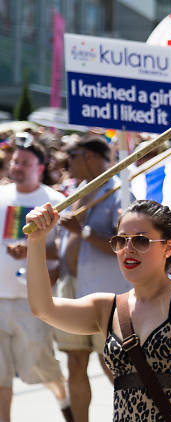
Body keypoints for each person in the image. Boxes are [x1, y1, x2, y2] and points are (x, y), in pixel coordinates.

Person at [24, 93, 171, 421]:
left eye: (141, 240)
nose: (128, 249)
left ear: (168, 248)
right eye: (121, 240)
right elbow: (42, 308)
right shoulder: (107, 308)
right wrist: (36, 242)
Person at [53, 135, 133, 422]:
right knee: (75, 362)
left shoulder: (120, 192)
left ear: (89, 156)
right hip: (71, 289)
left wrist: (82, 231)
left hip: (105, 295)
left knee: (112, 363)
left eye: (72, 156)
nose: (66, 163)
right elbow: (63, 240)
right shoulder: (75, 191)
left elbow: (126, 246)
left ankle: (139, 415)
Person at [0, 136, 73, 422]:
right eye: (15, 160)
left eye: (25, 162)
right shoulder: (1, 195)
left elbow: (65, 253)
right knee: (1, 378)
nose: (17, 166)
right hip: (0, 298)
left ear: (40, 168)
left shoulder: (55, 202)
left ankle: (63, 400)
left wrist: (33, 249)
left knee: (42, 370)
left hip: (32, 305)